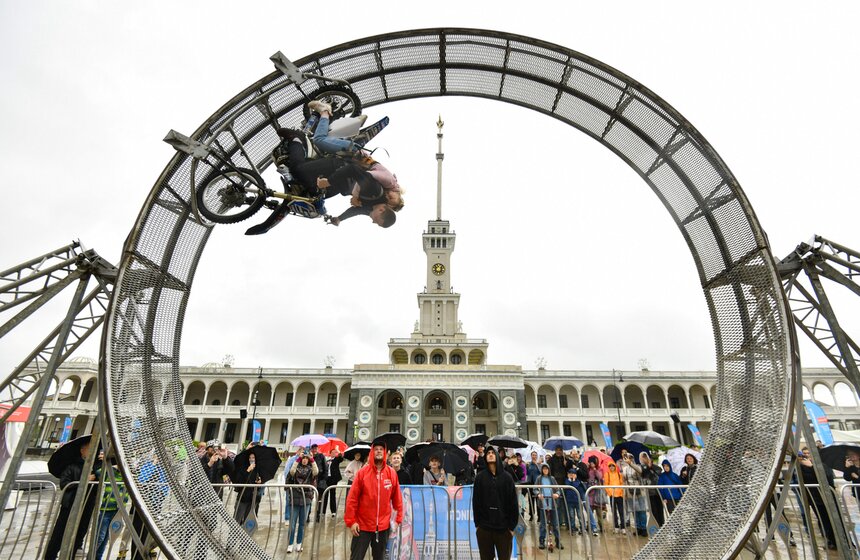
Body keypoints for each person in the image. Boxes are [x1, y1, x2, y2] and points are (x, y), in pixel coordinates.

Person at [344, 441, 403, 560]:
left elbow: (397, 499)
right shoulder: (362, 473)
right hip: (362, 526)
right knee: (356, 557)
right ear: (372, 452)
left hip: (383, 527)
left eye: (381, 449)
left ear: (385, 453)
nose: (379, 451)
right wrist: (351, 521)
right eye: (376, 449)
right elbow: (352, 499)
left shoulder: (391, 473)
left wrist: (398, 519)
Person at [44, 440, 98, 560]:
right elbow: (64, 484)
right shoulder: (72, 466)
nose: (92, 451)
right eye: (90, 448)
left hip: (87, 506)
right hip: (70, 505)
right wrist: (83, 481)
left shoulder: (95, 467)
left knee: (79, 534)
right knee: (59, 534)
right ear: (82, 450)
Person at [472, 445, 519, 560]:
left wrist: (511, 528)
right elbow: (476, 502)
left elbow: (513, 502)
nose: (490, 454)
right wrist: (478, 525)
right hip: (484, 528)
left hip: (503, 529)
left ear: (497, 456)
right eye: (488, 453)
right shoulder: (480, 477)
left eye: (493, 452)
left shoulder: (507, 477)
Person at [93, 456, 129, 560]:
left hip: (118, 511)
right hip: (107, 510)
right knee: (100, 537)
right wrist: (105, 462)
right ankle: (92, 556)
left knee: (107, 538)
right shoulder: (110, 472)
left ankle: (98, 557)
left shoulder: (127, 475)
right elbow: (98, 472)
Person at [286, 452, 318, 553]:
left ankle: (299, 544)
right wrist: (297, 460)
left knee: (302, 524)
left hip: (306, 499)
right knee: (292, 524)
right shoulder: (296, 468)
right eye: (303, 458)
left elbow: (316, 472)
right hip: (295, 498)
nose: (304, 460)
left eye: (306, 458)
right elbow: (291, 472)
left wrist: (312, 460)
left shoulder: (310, 470)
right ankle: (290, 544)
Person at [232, 449, 262, 527]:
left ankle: (245, 538)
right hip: (243, 498)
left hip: (252, 500)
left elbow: (257, 486)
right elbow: (239, 481)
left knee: (248, 522)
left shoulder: (258, 470)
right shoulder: (243, 468)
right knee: (236, 521)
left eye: (253, 458)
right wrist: (248, 470)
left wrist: (259, 483)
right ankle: (232, 538)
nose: (251, 459)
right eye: (250, 458)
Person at [620, 452, 648, 536]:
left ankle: (643, 528)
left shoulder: (638, 466)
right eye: (627, 457)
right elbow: (624, 481)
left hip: (639, 491)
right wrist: (624, 492)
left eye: (630, 457)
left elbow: (640, 472)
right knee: (634, 511)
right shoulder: (624, 468)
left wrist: (631, 464)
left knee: (642, 510)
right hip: (629, 492)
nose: (628, 459)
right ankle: (638, 528)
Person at [536, 463, 563, 550]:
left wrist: (557, 494)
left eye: (546, 469)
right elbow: (535, 489)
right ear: (542, 470)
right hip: (543, 504)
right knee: (543, 524)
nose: (545, 470)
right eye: (543, 469)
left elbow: (558, 489)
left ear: (549, 470)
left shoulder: (552, 478)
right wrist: (538, 494)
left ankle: (558, 541)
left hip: (552, 504)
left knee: (555, 524)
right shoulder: (539, 478)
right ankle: (541, 542)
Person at [563, 468, 595, 536]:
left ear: (576, 475)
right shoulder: (566, 481)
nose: (572, 475)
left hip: (577, 502)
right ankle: (573, 528)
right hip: (569, 502)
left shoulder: (578, 482)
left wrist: (574, 480)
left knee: (580, 516)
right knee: (571, 516)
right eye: (570, 474)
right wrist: (570, 480)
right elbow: (567, 485)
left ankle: (582, 528)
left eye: (573, 474)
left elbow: (577, 488)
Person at [638, 452, 665, 528]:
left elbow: (659, 472)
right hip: (650, 493)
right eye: (642, 457)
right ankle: (656, 527)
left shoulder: (656, 467)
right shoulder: (642, 468)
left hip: (658, 492)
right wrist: (648, 467)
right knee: (653, 511)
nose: (644, 459)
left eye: (645, 457)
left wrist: (651, 466)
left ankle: (662, 525)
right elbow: (643, 474)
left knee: (660, 510)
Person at [604, 462, 626, 534]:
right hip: (612, 495)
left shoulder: (619, 474)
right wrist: (610, 493)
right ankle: (616, 526)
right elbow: (606, 485)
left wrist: (621, 493)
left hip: (619, 495)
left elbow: (622, 484)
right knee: (614, 512)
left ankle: (623, 527)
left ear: (615, 466)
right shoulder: (607, 474)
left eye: (613, 466)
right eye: (610, 466)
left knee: (621, 512)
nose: (611, 467)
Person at [323, 449, 344, 518]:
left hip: (333, 479)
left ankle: (333, 511)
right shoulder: (327, 460)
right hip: (327, 478)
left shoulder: (337, 459)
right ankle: (323, 511)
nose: (334, 453)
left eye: (335, 452)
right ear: (330, 453)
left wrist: (338, 451)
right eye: (333, 452)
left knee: (332, 494)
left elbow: (341, 458)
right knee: (325, 495)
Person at [310, 444, 328, 522]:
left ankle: (318, 515)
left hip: (320, 480)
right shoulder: (309, 457)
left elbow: (325, 468)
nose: (314, 450)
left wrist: (323, 479)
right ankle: (307, 514)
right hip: (311, 480)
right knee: (309, 498)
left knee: (319, 499)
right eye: (313, 448)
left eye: (316, 448)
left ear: (318, 449)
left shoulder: (321, 456)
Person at [526, 451, 542, 521]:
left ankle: (539, 516)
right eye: (533, 455)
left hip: (537, 484)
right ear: (531, 456)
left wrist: (537, 465)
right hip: (530, 484)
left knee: (538, 501)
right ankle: (531, 515)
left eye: (535, 455)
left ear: (537, 456)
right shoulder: (529, 464)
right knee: (531, 501)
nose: (534, 456)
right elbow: (526, 473)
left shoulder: (539, 464)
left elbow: (541, 472)